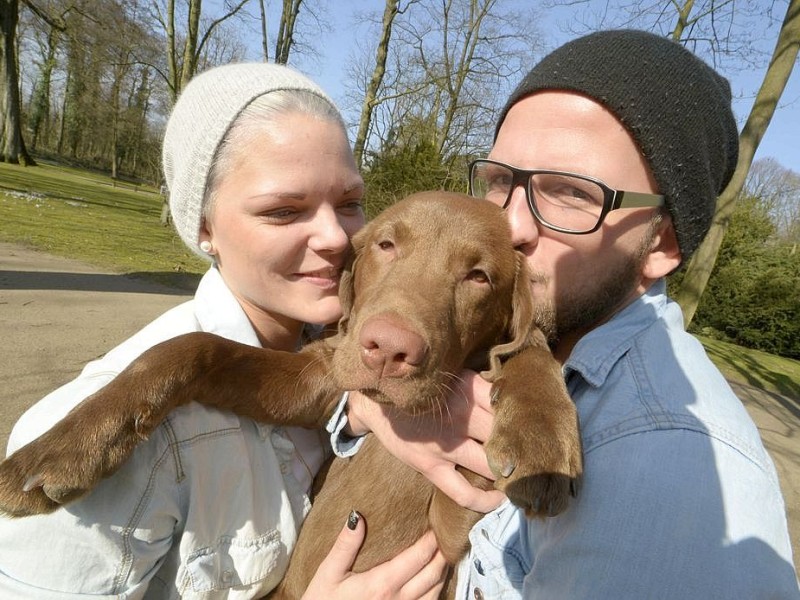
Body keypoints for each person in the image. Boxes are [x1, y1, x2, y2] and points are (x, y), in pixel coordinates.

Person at [0, 62, 493, 599]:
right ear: (205, 227)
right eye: (284, 211)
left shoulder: (356, 350)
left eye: (350, 203)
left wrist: (373, 405)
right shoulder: (98, 435)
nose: (335, 236)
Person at [345, 29, 799, 598]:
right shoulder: (500, 325)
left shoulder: (670, 471)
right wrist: (370, 410)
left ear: (660, 244)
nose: (510, 226)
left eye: (570, 193)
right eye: (501, 181)